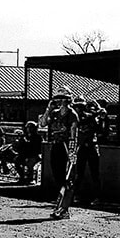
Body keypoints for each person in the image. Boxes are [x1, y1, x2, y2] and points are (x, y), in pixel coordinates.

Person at [39, 87, 79, 219]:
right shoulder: (54, 113)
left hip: (66, 147)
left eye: (62, 99)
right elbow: (43, 123)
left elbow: (74, 135)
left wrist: (72, 152)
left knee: (67, 179)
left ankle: (64, 208)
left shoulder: (72, 114)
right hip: (55, 146)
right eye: (58, 99)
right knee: (58, 177)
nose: (60, 102)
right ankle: (60, 206)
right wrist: (48, 109)